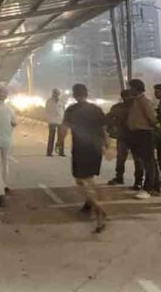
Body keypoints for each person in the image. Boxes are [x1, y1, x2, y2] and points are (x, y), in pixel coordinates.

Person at [63, 84, 108, 233]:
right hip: (95, 148)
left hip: (81, 148)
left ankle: (98, 209)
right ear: (86, 94)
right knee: (88, 177)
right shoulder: (96, 109)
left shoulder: (71, 110)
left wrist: (59, 142)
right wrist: (107, 146)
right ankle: (89, 205)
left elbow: (64, 128)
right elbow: (104, 129)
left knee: (83, 180)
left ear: (75, 95)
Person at [126, 79, 161, 199]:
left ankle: (148, 188)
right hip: (137, 134)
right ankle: (155, 187)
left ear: (136, 88)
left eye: (131, 88)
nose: (129, 90)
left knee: (148, 162)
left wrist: (157, 129)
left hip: (144, 133)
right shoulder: (136, 101)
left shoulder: (144, 101)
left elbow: (152, 118)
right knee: (148, 161)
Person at [105, 89, 142, 186]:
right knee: (137, 159)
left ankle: (120, 178)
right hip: (135, 135)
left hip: (124, 136)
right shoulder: (137, 107)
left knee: (122, 158)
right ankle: (138, 181)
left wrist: (111, 129)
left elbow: (108, 119)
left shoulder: (118, 107)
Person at [44, 88, 67, 157]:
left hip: (60, 121)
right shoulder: (49, 101)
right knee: (51, 137)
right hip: (52, 121)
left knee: (61, 137)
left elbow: (63, 110)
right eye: (55, 93)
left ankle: (61, 152)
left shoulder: (62, 101)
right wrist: (48, 119)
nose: (56, 94)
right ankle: (49, 152)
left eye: (57, 93)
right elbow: (46, 111)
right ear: (53, 93)